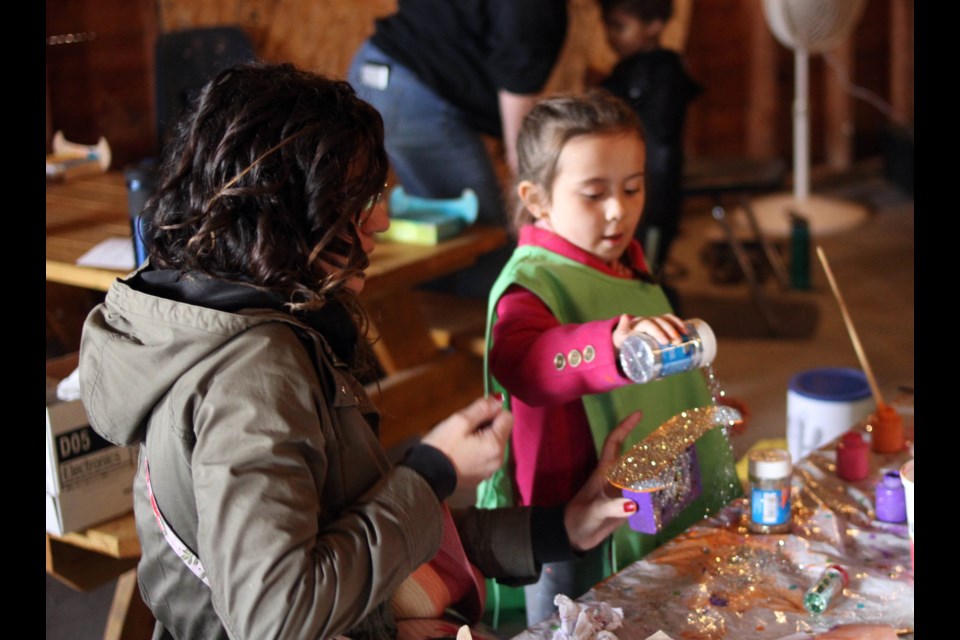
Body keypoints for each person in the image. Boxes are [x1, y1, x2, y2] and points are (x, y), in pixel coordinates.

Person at [78, 61, 645, 640]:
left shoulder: (237, 322)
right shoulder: (254, 370)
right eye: (358, 197)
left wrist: (560, 528)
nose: (382, 218)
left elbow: (354, 538)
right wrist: (430, 472)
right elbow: (278, 615)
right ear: (282, 209)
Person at [476, 89, 741, 626]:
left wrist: (697, 411)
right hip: (563, 515)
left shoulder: (626, 264)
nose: (619, 210)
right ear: (537, 198)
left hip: (636, 489)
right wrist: (613, 346)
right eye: (594, 194)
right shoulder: (530, 285)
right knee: (570, 622)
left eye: (633, 187)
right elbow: (525, 363)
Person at [347, 1, 568, 299]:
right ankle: (500, 334)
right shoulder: (533, 10)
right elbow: (520, 128)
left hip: (378, 69)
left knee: (449, 234)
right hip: (411, 90)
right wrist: (526, 200)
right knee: (487, 239)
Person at [594, 0, 703, 292]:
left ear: (654, 25)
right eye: (609, 27)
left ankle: (667, 325)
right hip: (632, 182)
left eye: (621, 27)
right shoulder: (626, 70)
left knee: (648, 270)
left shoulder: (666, 72)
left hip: (657, 187)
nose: (612, 36)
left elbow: (660, 135)